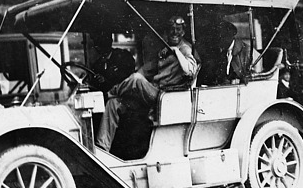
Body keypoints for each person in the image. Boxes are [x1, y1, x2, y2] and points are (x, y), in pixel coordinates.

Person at [96, 15, 199, 151]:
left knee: (136, 80)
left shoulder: (184, 48)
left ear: (183, 32)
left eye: (178, 29)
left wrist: (176, 52)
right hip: (154, 95)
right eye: (171, 29)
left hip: (165, 98)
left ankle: (107, 94)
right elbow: (148, 69)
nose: (174, 32)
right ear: (166, 32)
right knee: (113, 104)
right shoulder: (165, 49)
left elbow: (190, 71)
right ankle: (102, 148)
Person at [213, 20, 250, 85]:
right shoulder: (223, 54)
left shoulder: (246, 50)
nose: (218, 40)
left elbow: (256, 77)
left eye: (221, 37)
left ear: (230, 36)